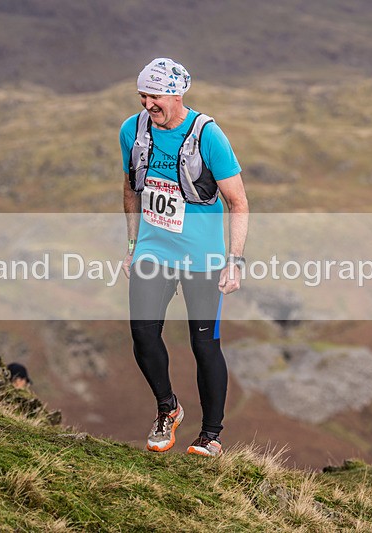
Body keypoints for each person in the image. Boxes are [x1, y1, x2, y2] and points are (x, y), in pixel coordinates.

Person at [120, 57, 249, 457]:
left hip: (203, 257)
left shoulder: (208, 135)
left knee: (204, 345)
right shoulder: (132, 130)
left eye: (154, 96)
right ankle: (167, 408)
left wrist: (234, 260)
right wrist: (131, 247)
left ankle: (211, 436)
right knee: (142, 334)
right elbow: (130, 190)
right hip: (154, 250)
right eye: (142, 95)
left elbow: (238, 202)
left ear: (176, 93)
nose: (147, 105)